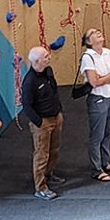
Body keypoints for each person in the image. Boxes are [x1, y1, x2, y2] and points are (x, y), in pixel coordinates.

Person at [20, 46, 65, 199]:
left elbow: (54, 91)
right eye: (46, 56)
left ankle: (48, 174)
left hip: (55, 117)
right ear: (37, 62)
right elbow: (26, 105)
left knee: (54, 150)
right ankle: (40, 187)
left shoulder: (48, 72)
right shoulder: (30, 82)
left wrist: (59, 111)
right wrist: (39, 122)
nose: (49, 58)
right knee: (41, 155)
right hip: (43, 123)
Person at [79, 28, 110, 181]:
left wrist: (106, 77)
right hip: (98, 98)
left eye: (98, 31)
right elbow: (94, 82)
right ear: (89, 42)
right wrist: (108, 76)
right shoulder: (87, 57)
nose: (98, 32)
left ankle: (105, 162)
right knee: (97, 135)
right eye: (93, 33)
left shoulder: (108, 53)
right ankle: (96, 169)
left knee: (107, 132)